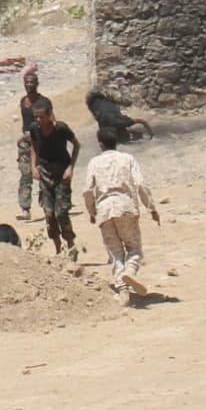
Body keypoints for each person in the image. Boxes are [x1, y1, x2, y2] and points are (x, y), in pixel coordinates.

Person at [80, 126, 163, 300]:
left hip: (104, 210)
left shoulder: (94, 162)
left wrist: (92, 211)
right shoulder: (128, 159)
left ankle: (123, 290)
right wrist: (151, 208)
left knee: (115, 253)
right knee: (134, 249)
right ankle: (131, 270)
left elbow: (87, 190)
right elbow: (140, 184)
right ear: (116, 141)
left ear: (100, 144)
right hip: (126, 208)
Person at [26, 97, 82, 259]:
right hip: (44, 171)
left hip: (61, 171)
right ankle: (58, 249)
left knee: (61, 212)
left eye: (41, 116)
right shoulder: (34, 128)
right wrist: (33, 167)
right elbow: (34, 147)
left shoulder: (61, 129)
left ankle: (71, 246)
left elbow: (76, 145)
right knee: (48, 213)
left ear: (49, 115)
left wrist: (71, 167)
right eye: (36, 117)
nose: (38, 120)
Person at [16, 64, 47, 218]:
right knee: (25, 174)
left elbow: (51, 121)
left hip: (40, 142)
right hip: (26, 143)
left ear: (37, 84)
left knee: (43, 172)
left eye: (31, 82)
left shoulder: (43, 102)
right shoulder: (23, 101)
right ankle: (25, 208)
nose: (29, 85)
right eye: (26, 82)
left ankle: (48, 205)